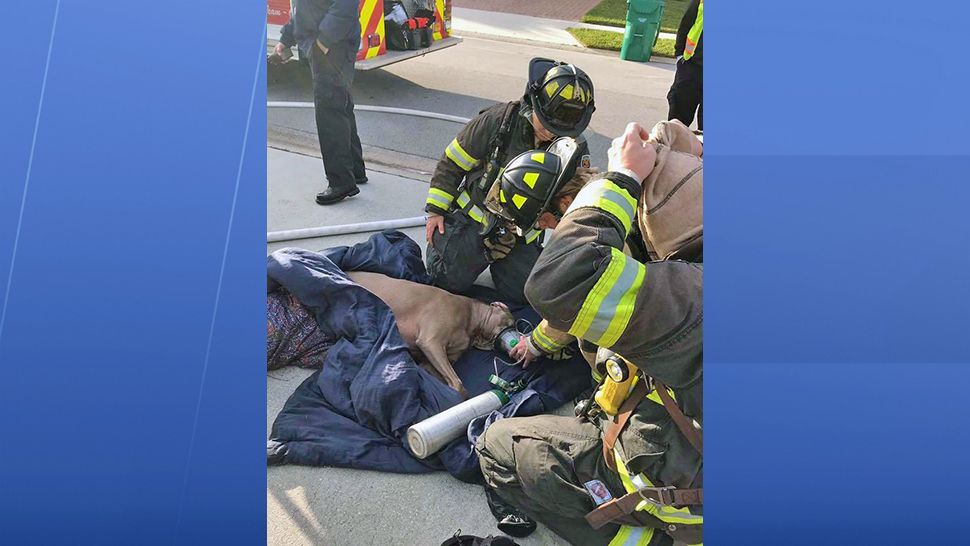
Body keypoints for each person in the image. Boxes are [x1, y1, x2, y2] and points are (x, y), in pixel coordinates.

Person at [476, 122, 704, 546]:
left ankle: (645, 535)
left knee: (496, 445)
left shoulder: (691, 298)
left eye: (545, 222)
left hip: (682, 476)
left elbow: (567, 287)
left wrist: (622, 179)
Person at [510, 118, 703, 365]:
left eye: (543, 220)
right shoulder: (638, 181)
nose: (544, 227)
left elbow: (574, 298)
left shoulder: (602, 235)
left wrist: (535, 345)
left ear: (565, 203)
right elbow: (671, 130)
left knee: (593, 341)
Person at [423, 58, 596, 303]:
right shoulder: (497, 122)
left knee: (527, 293)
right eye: (546, 124)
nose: (551, 133)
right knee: (447, 280)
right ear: (533, 102)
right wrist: (435, 210)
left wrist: (553, 220)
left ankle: (502, 261)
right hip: (476, 221)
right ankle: (451, 250)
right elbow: (452, 162)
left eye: (561, 130)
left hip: (521, 234)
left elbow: (571, 197)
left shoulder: (573, 148)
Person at [272, 0, 368, 205]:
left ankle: (341, 182)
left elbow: (345, 6)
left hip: (333, 47)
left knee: (330, 114)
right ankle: (354, 170)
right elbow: (303, 8)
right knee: (340, 107)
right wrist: (286, 39)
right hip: (328, 47)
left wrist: (322, 42)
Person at [667, 0, 703, 131]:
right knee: (677, 122)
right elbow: (686, 23)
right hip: (692, 67)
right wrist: (679, 55)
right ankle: (672, 149)